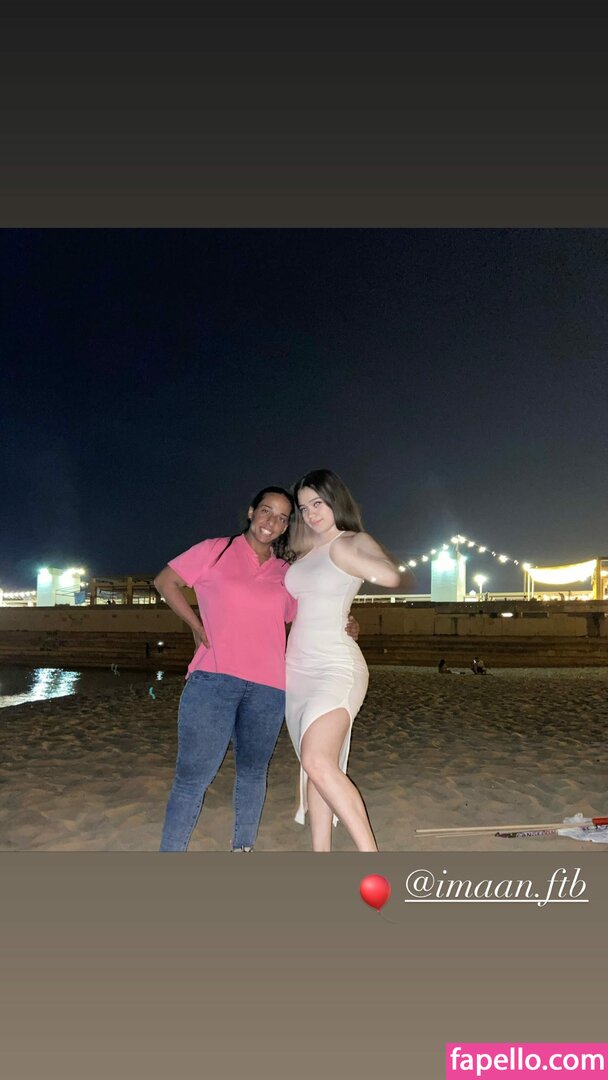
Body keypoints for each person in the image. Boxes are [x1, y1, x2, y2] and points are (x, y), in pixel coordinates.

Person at [155, 485, 358, 853]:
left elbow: (311, 613)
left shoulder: (286, 573)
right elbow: (165, 581)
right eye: (266, 511)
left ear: (286, 526)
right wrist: (196, 625)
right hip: (213, 680)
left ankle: (243, 849)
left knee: (252, 774)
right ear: (251, 511)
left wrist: (346, 622)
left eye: (282, 517)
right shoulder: (215, 550)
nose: (272, 522)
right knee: (192, 778)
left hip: (269, 688)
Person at [284, 469, 402, 852]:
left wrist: (351, 558)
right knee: (317, 767)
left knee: (317, 760)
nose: (311, 513)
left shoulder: (352, 541)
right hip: (296, 672)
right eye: (304, 507)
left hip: (335, 666)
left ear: (336, 500)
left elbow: (389, 576)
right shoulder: (305, 549)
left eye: (318, 503)